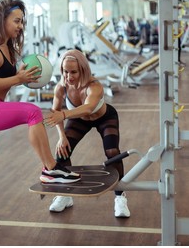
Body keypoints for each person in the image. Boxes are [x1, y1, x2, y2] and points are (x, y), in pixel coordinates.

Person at [0, 0, 81, 234]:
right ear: (1, 20)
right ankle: (50, 169)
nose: (20, 26)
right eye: (16, 21)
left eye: (22, 22)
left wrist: (32, 76)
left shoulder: (10, 49)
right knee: (32, 112)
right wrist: (18, 79)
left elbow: (14, 78)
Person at [43, 49, 130, 218]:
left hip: (104, 117)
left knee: (112, 152)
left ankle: (120, 197)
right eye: (65, 72)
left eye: (73, 72)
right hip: (79, 119)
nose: (69, 76)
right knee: (62, 152)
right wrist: (61, 136)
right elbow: (55, 112)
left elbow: (89, 107)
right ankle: (65, 194)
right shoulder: (61, 87)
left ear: (83, 69)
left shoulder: (94, 86)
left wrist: (64, 114)